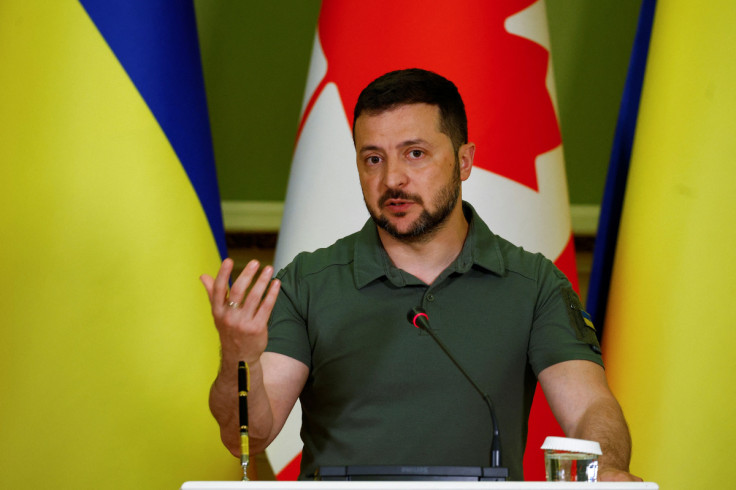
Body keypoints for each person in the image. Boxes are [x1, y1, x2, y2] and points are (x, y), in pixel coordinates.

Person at [201, 68, 641, 482]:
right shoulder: (307, 282)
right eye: (372, 159)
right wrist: (240, 356)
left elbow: (590, 407)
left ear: (464, 162)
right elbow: (250, 436)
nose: (392, 179)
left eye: (415, 154)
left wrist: (606, 468)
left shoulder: (533, 283)